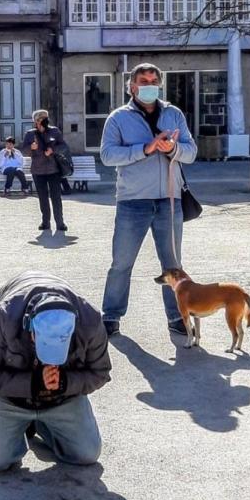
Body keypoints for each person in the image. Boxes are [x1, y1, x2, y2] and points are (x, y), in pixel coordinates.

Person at [0, 271, 112, 472]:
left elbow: (100, 372)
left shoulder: (90, 320)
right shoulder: (4, 316)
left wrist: (64, 382)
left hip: (62, 397)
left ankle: (42, 424)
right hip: (9, 399)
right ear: (30, 328)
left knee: (87, 454)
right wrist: (34, 383)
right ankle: (21, 426)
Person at [99, 62, 198, 338]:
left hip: (169, 199)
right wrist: (146, 148)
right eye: (144, 81)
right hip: (133, 201)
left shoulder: (174, 114)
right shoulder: (118, 118)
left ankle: (178, 315)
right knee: (122, 262)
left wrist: (173, 148)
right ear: (132, 87)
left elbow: (191, 152)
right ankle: (111, 315)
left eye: (154, 81)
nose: (150, 85)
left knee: (172, 264)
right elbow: (107, 156)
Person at [22, 109, 68, 231]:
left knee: (56, 197)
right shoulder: (30, 134)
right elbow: (24, 151)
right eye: (40, 119)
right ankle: (45, 222)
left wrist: (53, 150)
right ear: (36, 121)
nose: (43, 121)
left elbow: (63, 146)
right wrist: (31, 148)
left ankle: (60, 223)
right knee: (43, 197)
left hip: (53, 170)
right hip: (38, 171)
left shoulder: (55, 131)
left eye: (45, 118)